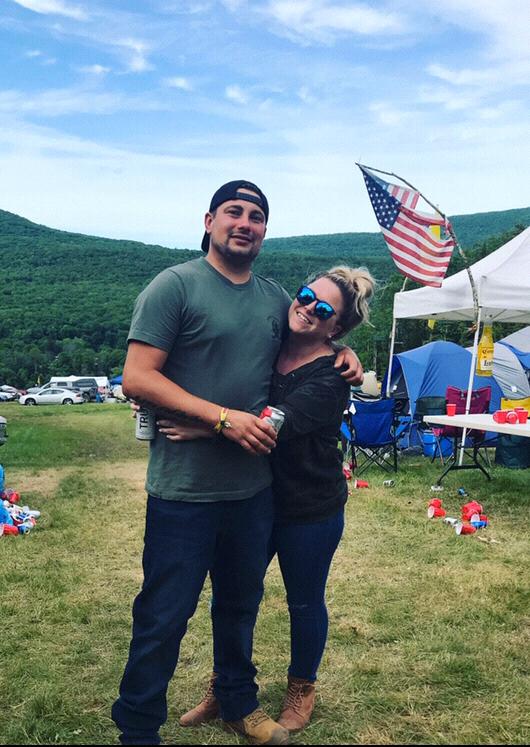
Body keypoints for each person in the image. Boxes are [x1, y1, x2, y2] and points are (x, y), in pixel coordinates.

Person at [111, 180, 364, 746]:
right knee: (163, 615)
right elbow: (137, 377)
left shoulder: (274, 298)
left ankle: (237, 703)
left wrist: (345, 352)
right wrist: (221, 418)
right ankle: (138, 729)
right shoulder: (174, 286)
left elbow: (313, 338)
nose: (244, 222)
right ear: (209, 221)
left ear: (265, 231)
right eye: (233, 211)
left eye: (256, 215)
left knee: (238, 607)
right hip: (184, 488)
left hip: (253, 492)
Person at [161, 265, 375, 736]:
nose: (308, 307)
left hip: (309, 507)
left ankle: (302, 687)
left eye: (324, 309)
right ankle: (227, 686)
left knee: (304, 601)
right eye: (306, 295)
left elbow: (271, 426)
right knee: (234, 598)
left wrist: (203, 427)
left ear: (335, 328)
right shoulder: (271, 344)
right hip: (251, 497)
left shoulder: (332, 376)